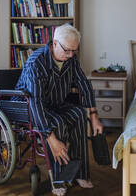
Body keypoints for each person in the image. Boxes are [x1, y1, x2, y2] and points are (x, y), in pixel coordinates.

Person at [13, 23, 103, 196]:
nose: (70, 55)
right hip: (29, 107)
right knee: (58, 123)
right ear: (54, 43)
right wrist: (51, 139)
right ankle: (58, 180)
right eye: (67, 50)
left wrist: (93, 115)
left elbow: (84, 84)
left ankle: (80, 173)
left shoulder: (71, 59)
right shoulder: (36, 62)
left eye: (74, 51)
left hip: (54, 104)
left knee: (78, 113)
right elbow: (36, 102)